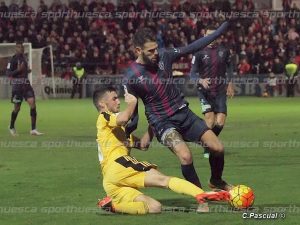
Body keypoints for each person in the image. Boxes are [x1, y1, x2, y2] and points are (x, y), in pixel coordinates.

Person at [123, 21, 233, 190]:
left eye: (156, 49)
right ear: (138, 51)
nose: (155, 53)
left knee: (217, 147)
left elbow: (192, 47)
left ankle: (216, 181)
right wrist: (129, 133)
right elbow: (133, 111)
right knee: (186, 156)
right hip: (162, 122)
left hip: (183, 113)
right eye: (150, 51)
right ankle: (199, 196)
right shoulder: (131, 76)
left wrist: (218, 32)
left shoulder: (164, 56)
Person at [93, 86, 230, 214]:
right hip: (118, 165)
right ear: (102, 104)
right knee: (163, 180)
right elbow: (123, 118)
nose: (118, 101)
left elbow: (143, 145)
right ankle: (200, 194)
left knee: (154, 207)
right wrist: (133, 102)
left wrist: (154, 124)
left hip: (110, 181)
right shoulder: (104, 116)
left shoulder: (118, 132)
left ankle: (113, 205)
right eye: (114, 98)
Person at [190, 27, 234, 158]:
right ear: (204, 35)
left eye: (214, 36)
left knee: (220, 122)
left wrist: (230, 83)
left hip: (220, 90)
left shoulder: (224, 51)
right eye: (208, 35)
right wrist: (200, 80)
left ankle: (207, 143)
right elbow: (192, 73)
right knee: (209, 119)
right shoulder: (198, 51)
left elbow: (230, 67)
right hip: (204, 91)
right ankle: (209, 146)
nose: (211, 38)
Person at [6, 42, 43, 136]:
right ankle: (11, 126)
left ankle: (33, 129)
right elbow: (8, 74)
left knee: (32, 103)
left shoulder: (24, 58)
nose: (21, 49)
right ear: (16, 49)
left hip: (26, 85)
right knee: (17, 108)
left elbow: (24, 71)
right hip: (17, 86)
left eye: (22, 47)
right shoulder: (12, 60)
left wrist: (27, 70)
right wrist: (18, 70)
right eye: (19, 47)